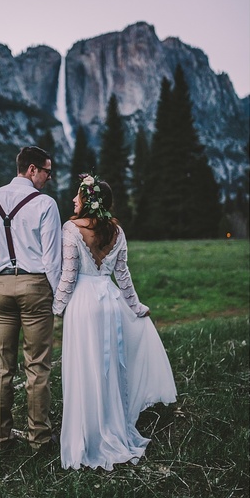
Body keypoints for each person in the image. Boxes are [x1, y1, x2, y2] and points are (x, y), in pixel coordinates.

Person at [52, 174, 176, 470]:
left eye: (78, 195)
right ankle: (112, 428)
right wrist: (136, 306)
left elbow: (68, 277)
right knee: (107, 370)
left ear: (88, 200)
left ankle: (87, 437)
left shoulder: (70, 229)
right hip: (109, 302)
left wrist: (55, 308)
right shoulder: (117, 231)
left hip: (82, 305)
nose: (73, 200)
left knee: (85, 368)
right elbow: (123, 276)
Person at [0, 146, 62, 452]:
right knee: (37, 366)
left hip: (0, 288)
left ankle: (0, 438)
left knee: (1, 367)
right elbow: (52, 259)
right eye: (48, 172)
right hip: (36, 286)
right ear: (33, 170)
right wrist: (58, 297)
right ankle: (39, 438)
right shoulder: (45, 205)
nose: (49, 178)